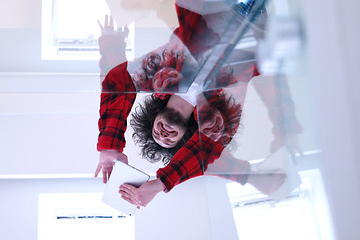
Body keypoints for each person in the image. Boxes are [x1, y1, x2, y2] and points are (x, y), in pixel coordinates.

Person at [96, 0, 301, 207]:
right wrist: (160, 184)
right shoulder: (216, 121)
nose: (163, 136)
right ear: (187, 138)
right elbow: (206, 157)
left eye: (156, 135)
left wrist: (109, 146)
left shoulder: (159, 76)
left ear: (153, 118)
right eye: (168, 141)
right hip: (258, 23)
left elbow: (117, 81)